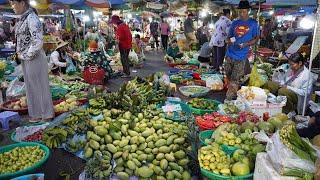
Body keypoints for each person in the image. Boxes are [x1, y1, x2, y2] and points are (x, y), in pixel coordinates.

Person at [10, 0, 54, 122]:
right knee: (31, 86)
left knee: (40, 86)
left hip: (34, 57)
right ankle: (37, 114)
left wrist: (26, 55)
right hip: (26, 57)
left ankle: (46, 114)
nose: (12, 6)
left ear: (22, 3)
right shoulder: (23, 18)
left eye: (13, 3)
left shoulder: (32, 18)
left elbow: (38, 41)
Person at [224, 0, 259, 100]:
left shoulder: (253, 23)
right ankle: (234, 96)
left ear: (248, 10)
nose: (242, 13)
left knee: (235, 79)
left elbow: (256, 38)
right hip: (230, 53)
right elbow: (229, 37)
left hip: (241, 56)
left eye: (244, 11)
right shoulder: (235, 23)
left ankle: (229, 100)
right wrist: (228, 41)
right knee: (229, 76)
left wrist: (246, 44)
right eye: (240, 11)